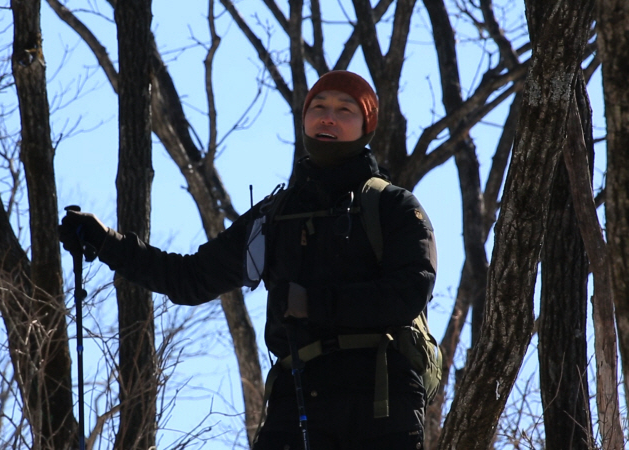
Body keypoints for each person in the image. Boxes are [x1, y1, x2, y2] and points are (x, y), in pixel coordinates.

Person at [59, 70, 437, 449]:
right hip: (297, 404)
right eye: (319, 107)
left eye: (345, 110)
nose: (328, 118)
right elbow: (189, 278)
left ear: (367, 126)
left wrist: (313, 304)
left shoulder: (392, 206)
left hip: (381, 403)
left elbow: (409, 293)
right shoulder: (275, 217)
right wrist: (105, 241)